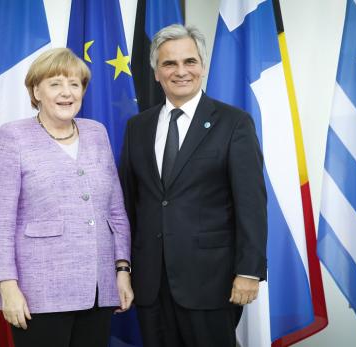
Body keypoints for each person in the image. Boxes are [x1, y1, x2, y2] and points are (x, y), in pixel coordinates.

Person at [119, 24, 267, 347]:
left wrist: (249, 271)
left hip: (211, 283)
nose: (180, 71)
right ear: (156, 73)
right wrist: (123, 269)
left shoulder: (234, 123)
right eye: (169, 64)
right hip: (149, 284)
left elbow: (251, 204)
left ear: (202, 67)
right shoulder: (137, 128)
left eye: (190, 62)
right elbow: (129, 204)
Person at [0, 47, 133, 347]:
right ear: (36, 90)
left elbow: (115, 210)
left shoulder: (96, 133)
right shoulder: (12, 137)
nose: (67, 93)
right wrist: (8, 286)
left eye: (74, 84)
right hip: (39, 293)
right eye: (55, 84)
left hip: (98, 290)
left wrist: (122, 269)